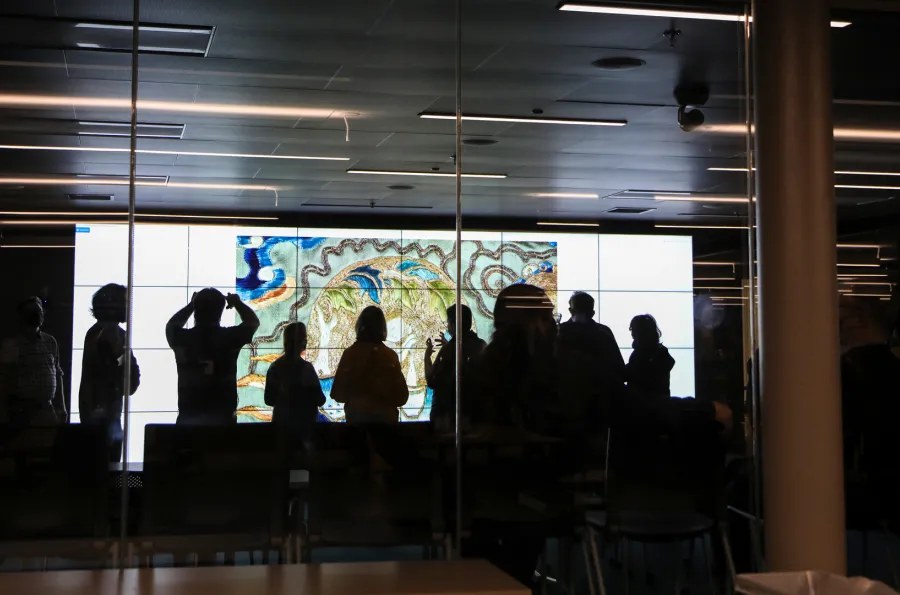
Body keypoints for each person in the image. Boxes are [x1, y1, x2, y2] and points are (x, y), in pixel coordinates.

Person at [166, 289, 259, 425]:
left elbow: (171, 326)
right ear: (220, 312)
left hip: (189, 418)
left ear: (196, 311)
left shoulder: (184, 339)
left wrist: (191, 305)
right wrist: (237, 303)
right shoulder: (229, 338)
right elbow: (252, 322)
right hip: (223, 418)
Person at [79, 284, 141, 462]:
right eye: (124, 302)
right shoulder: (110, 333)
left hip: (103, 413)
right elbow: (120, 370)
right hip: (103, 415)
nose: (128, 308)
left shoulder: (98, 332)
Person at [331, 306, 408, 424]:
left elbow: (338, 394)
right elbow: (402, 397)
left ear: (360, 326)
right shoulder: (390, 356)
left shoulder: (350, 354)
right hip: (386, 425)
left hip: (357, 424)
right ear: (382, 328)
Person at [0, 297, 67, 425]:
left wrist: (62, 408)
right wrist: (2, 414)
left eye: (39, 310)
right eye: (32, 311)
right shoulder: (12, 345)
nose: (37, 314)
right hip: (22, 411)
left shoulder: (50, 341)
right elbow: (3, 381)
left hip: (48, 410)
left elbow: (58, 375)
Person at [424, 304, 486, 430]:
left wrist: (427, 357)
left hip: (450, 417)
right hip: (477, 415)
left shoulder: (449, 350)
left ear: (453, 324)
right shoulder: (481, 345)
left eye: (448, 323)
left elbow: (432, 380)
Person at [264, 322, 325, 438]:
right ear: (301, 342)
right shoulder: (306, 368)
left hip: (281, 427)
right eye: (304, 338)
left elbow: (269, 400)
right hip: (305, 429)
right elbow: (320, 399)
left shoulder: (275, 367)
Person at [558, 291, 626, 383]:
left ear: (570, 310)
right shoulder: (604, 332)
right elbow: (619, 369)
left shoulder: (560, 331)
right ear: (592, 313)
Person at [625, 314, 676, 399]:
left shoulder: (640, 354)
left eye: (634, 330)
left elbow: (636, 375)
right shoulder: (660, 352)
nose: (633, 334)